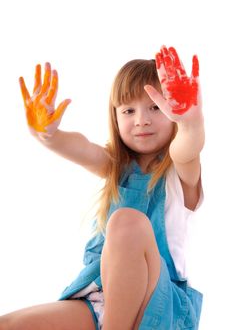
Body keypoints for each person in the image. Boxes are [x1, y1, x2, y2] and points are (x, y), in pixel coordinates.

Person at [0, 45, 205, 330]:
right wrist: (48, 134)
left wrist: (191, 124)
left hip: (158, 305)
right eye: (129, 110)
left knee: (126, 222)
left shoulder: (179, 175)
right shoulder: (115, 167)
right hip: (101, 299)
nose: (141, 120)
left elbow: (187, 149)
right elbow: (81, 148)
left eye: (156, 108)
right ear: (115, 116)